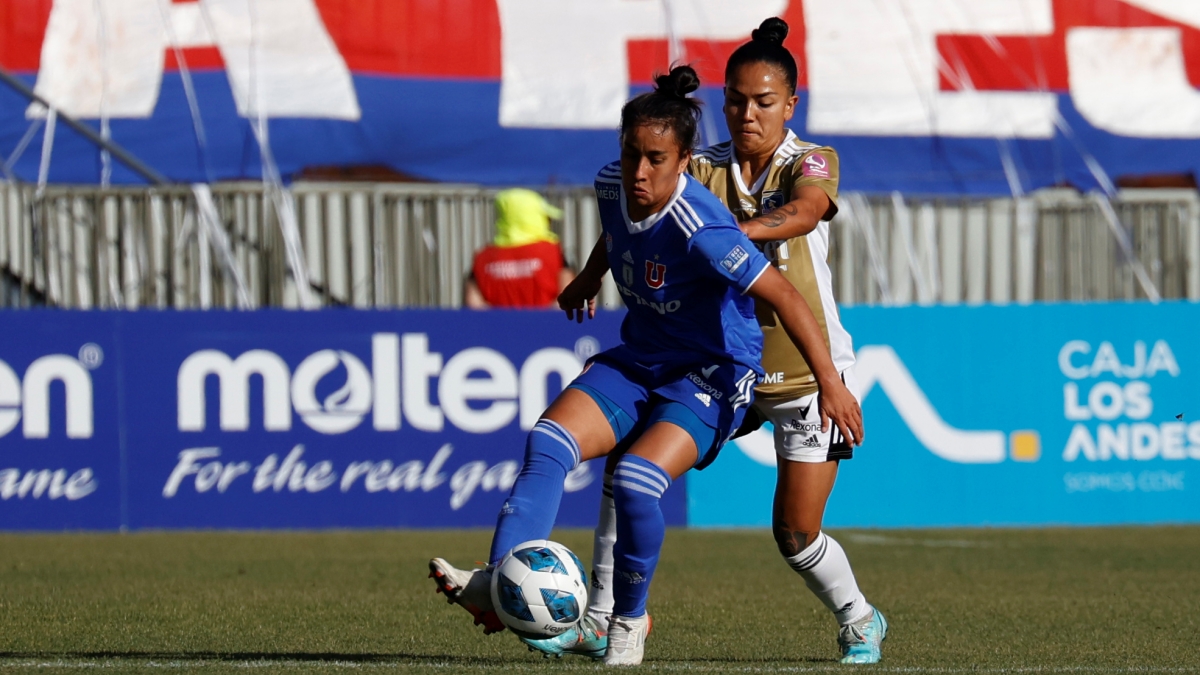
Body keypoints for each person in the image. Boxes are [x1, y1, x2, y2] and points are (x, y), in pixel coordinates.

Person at [429, 65, 863, 667]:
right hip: (646, 356)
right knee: (551, 442)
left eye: (655, 159)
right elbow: (619, 227)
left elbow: (792, 271)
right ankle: (504, 581)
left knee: (754, 521)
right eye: (632, 153)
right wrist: (588, 274)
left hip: (735, 371)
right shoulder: (618, 183)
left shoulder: (731, 207)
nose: (639, 170)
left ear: (683, 160)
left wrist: (832, 384)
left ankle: (633, 624)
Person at [531, 18, 888, 666]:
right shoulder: (697, 167)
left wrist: (722, 238)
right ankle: (602, 618)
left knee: (796, 533)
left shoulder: (812, 160)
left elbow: (805, 211)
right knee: (627, 465)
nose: (747, 113)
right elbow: (633, 224)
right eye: (735, 100)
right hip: (725, 367)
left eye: (763, 101)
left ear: (790, 105)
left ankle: (859, 615)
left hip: (808, 373)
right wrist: (589, 273)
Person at [464, 188, 575, 309]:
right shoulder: (553, 253)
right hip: (546, 326)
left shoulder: (482, 258)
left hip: (499, 327)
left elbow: (474, 305)